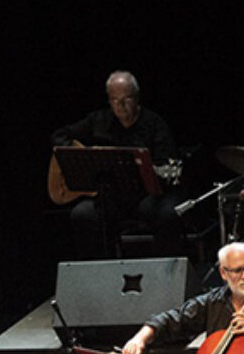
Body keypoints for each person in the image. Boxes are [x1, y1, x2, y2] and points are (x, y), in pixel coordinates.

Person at [51, 70, 184, 260]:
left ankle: (163, 269)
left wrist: (152, 171)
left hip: (145, 197)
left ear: (137, 98)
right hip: (110, 197)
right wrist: (82, 155)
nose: (120, 106)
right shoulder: (98, 120)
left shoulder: (154, 124)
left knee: (166, 214)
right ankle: (97, 270)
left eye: (126, 99)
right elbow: (59, 135)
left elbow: (167, 163)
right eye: (114, 100)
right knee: (82, 214)